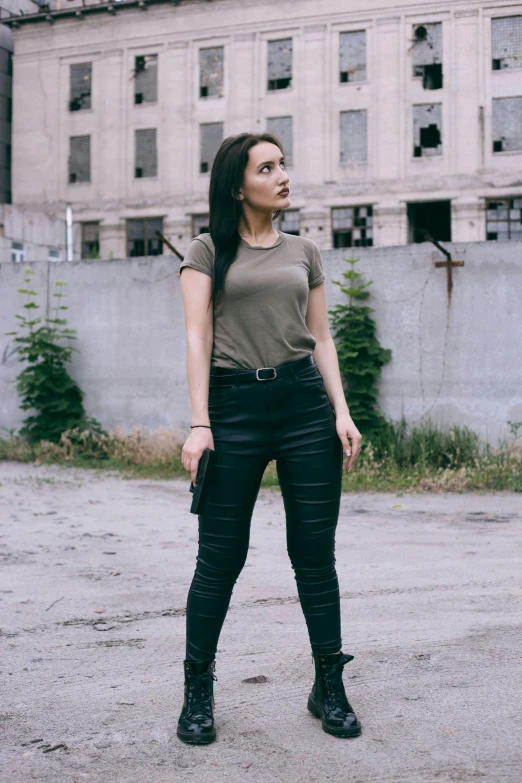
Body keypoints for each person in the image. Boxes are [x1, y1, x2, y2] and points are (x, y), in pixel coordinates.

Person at [177, 132, 362, 745]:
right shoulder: (206, 252)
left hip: (304, 405)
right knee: (219, 560)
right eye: (268, 167)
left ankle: (328, 684)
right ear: (238, 185)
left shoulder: (304, 250)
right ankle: (197, 688)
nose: (283, 175)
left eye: (284, 163)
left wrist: (341, 409)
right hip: (232, 408)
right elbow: (197, 339)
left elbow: (322, 337)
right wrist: (201, 424)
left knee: (314, 554)